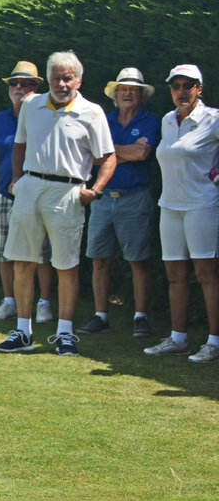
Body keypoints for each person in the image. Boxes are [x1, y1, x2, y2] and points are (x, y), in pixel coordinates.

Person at [0, 51, 116, 357]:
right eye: (57, 78)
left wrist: (96, 190)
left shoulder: (92, 112)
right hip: (30, 188)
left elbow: (108, 157)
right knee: (23, 262)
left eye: (68, 78)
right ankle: (23, 332)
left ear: (79, 80)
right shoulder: (31, 105)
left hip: (68, 192)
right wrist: (17, 180)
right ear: (48, 79)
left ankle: (64, 334)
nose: (62, 84)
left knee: (66, 265)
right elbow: (19, 145)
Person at [75, 68, 161, 339]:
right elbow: (92, 156)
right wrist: (128, 150)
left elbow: (143, 153)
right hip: (102, 198)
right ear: (114, 94)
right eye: (123, 89)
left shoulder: (151, 121)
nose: (128, 93)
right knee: (99, 259)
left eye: (133, 89)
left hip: (135, 197)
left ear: (142, 95)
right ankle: (100, 316)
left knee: (138, 260)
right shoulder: (104, 119)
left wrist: (110, 153)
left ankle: (140, 318)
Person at [142, 64, 219, 363]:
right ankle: (178, 339)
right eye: (176, 86)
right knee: (175, 276)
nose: (182, 91)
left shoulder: (213, 118)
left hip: (203, 205)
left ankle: (215, 342)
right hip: (170, 207)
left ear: (200, 88)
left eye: (189, 85)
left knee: (206, 275)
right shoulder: (167, 120)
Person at [0, 61, 56, 324]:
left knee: (42, 254)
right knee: (5, 253)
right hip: (6, 196)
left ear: (36, 88)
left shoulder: (46, 118)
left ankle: (44, 304)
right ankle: (9, 302)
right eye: (14, 83)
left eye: (26, 83)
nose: (19, 87)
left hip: (39, 196)